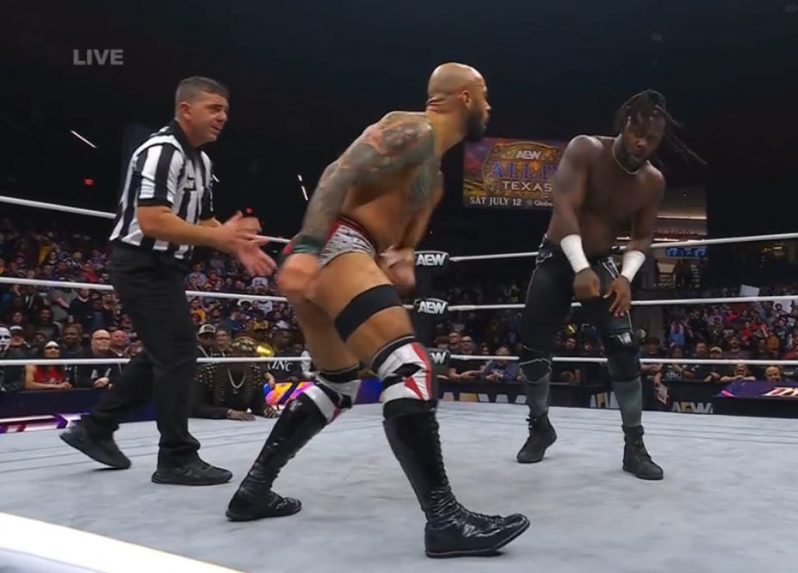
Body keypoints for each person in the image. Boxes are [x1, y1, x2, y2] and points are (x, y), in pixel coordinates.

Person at [226, 63, 529, 558]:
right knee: (410, 368)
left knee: (337, 382)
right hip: (334, 244)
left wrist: (402, 253)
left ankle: (253, 490)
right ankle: (445, 519)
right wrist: (308, 247)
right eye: (485, 94)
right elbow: (338, 173)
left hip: (345, 250)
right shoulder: (410, 128)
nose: (490, 106)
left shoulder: (434, 174)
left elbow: (406, 233)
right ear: (465, 97)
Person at [60, 76, 276, 486]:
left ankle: (95, 427)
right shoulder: (161, 151)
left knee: (164, 352)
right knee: (177, 354)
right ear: (186, 110)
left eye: (226, 110)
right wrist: (219, 238)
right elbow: (153, 220)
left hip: (166, 267)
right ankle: (176, 457)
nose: (223, 117)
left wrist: (234, 243)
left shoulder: (202, 162)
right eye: (214, 108)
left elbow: (205, 220)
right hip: (141, 263)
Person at [516, 89, 702, 480]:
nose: (642, 142)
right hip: (557, 258)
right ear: (623, 125)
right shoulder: (585, 149)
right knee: (533, 348)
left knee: (624, 347)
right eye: (637, 132)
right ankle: (540, 426)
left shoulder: (652, 181)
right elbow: (564, 205)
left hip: (601, 262)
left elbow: (642, 235)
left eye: (651, 138)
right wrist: (579, 267)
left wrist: (625, 277)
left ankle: (634, 446)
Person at [192, 336, 280, 420]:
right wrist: (228, 413)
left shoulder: (254, 373)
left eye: (246, 357)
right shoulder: (209, 372)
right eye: (237, 355)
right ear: (229, 355)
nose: (241, 360)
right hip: (207, 422)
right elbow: (196, 406)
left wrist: (265, 409)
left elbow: (257, 403)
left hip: (240, 425)